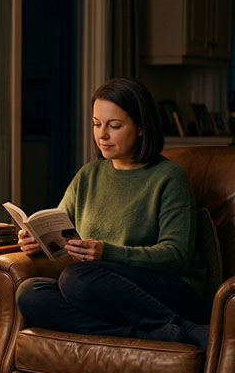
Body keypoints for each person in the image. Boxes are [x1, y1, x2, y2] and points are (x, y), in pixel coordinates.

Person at [16, 78, 210, 349]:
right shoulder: (88, 175)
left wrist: (106, 252)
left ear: (141, 127)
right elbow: (59, 229)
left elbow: (176, 257)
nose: (102, 135)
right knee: (30, 293)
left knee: (77, 278)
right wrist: (37, 241)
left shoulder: (169, 177)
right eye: (97, 124)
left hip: (168, 288)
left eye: (114, 126)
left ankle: (182, 324)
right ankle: (148, 334)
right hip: (104, 290)